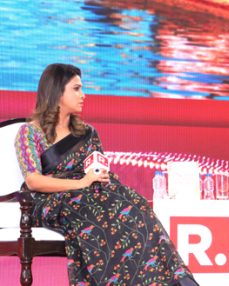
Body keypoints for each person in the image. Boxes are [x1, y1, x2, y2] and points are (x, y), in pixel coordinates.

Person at [14, 63, 198, 286]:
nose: (84, 95)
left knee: (134, 206)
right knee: (93, 208)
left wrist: (99, 179)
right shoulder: (30, 132)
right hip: (51, 200)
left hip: (90, 194)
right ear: (57, 91)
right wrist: (81, 183)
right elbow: (33, 181)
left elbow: (98, 171)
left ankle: (174, 280)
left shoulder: (87, 133)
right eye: (76, 89)